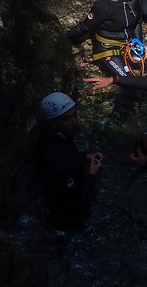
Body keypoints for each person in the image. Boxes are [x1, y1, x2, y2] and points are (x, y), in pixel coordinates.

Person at [66, 0, 147, 115]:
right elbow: (84, 27)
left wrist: (139, 44)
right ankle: (118, 119)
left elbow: (137, 20)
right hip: (106, 51)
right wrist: (66, 41)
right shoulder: (104, 6)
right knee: (133, 86)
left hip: (129, 45)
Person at [35, 91, 103, 228]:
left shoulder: (51, 138)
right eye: (66, 119)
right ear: (53, 123)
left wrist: (84, 157)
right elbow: (76, 204)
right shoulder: (57, 155)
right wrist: (92, 175)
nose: (75, 122)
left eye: (75, 115)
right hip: (69, 222)